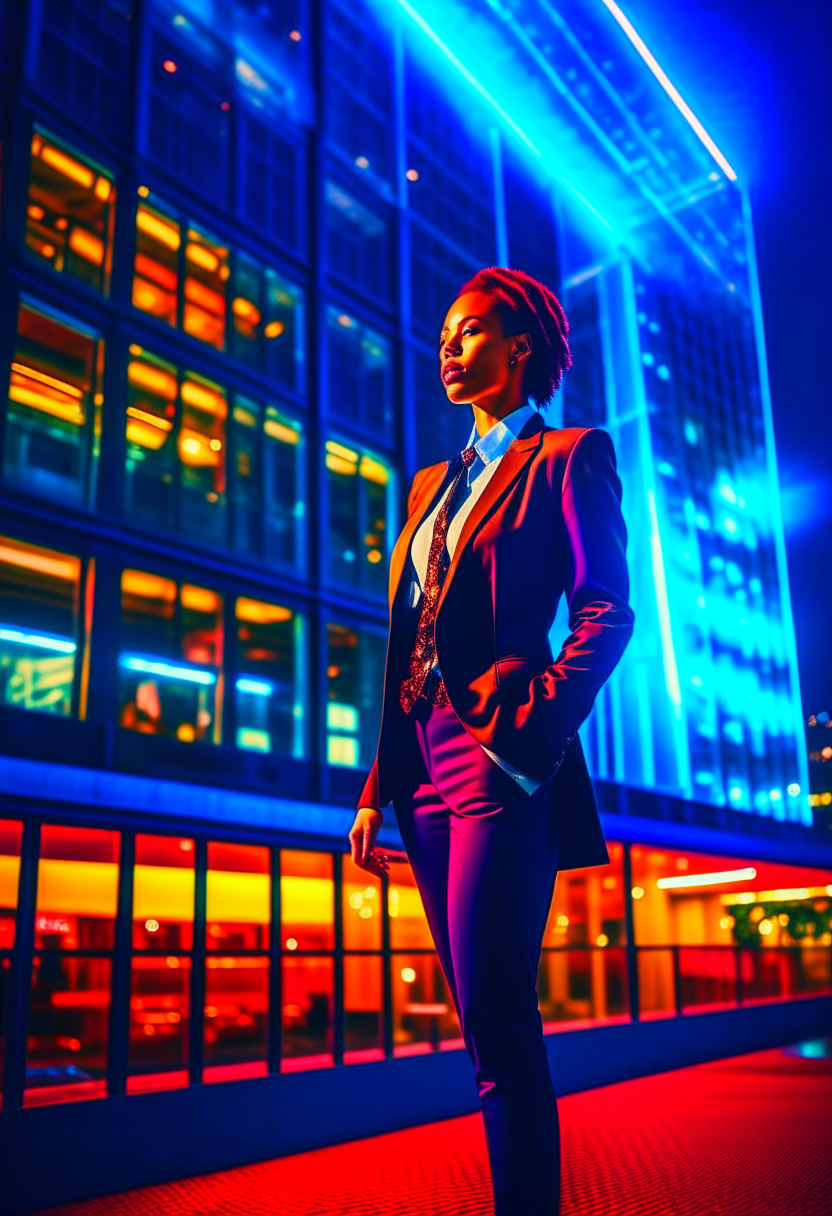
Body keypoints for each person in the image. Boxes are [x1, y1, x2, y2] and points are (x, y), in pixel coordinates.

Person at [348, 266, 634, 1215]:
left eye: (470, 331)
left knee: (501, 1022)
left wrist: (537, 726)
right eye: (444, 334)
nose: (449, 346)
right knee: (481, 1025)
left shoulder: (570, 456)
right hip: (421, 771)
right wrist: (374, 789)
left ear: (522, 346)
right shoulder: (433, 483)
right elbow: (408, 632)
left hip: (500, 758)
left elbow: (606, 611)